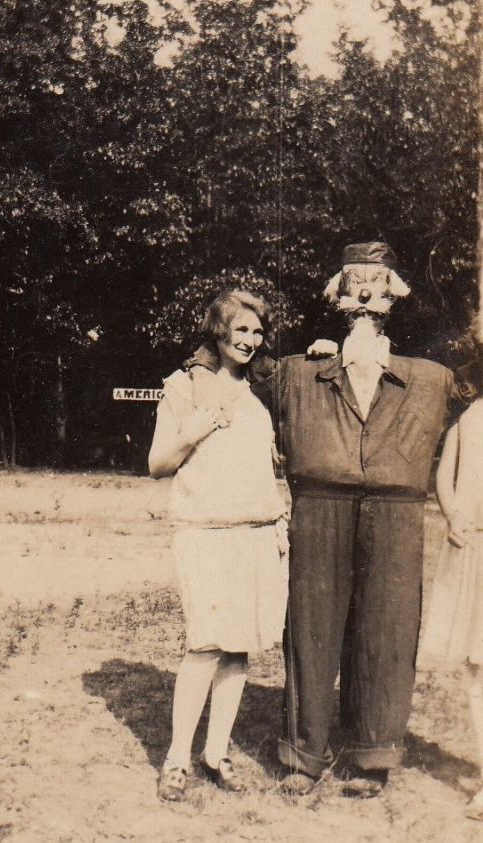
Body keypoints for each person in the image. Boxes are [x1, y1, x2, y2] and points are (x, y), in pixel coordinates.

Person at [188, 242, 468, 797]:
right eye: (355, 282)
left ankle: (370, 757)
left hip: (397, 517)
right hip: (318, 512)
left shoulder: (429, 378)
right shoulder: (298, 373)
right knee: (312, 630)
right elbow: (230, 351)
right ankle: (303, 755)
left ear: (395, 294)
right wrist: (198, 366)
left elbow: (477, 372)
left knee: (386, 633)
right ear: (337, 294)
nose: (366, 294)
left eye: (379, 282)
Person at [149, 289, 289, 802]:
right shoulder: (185, 385)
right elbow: (158, 463)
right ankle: (176, 759)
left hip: (255, 532)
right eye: (241, 329)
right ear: (219, 331)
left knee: (238, 648)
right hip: (205, 531)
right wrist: (198, 427)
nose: (249, 340)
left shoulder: (259, 394)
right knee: (205, 644)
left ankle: (216, 752)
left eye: (257, 331)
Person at [422, 396, 483, 820]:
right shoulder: (470, 414)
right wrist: (452, 514)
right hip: (474, 545)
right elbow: (445, 475)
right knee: (477, 665)